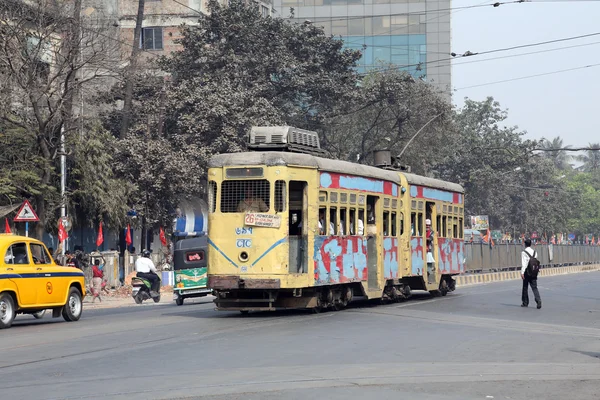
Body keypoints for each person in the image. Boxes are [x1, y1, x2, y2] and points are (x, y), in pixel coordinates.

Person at [521, 238, 542, 309]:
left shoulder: (524, 252)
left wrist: (522, 272)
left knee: (525, 287)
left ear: (525, 244)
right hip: (534, 271)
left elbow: (524, 263)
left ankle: (525, 302)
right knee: (534, 287)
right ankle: (538, 300)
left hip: (527, 272)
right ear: (530, 244)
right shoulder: (535, 252)